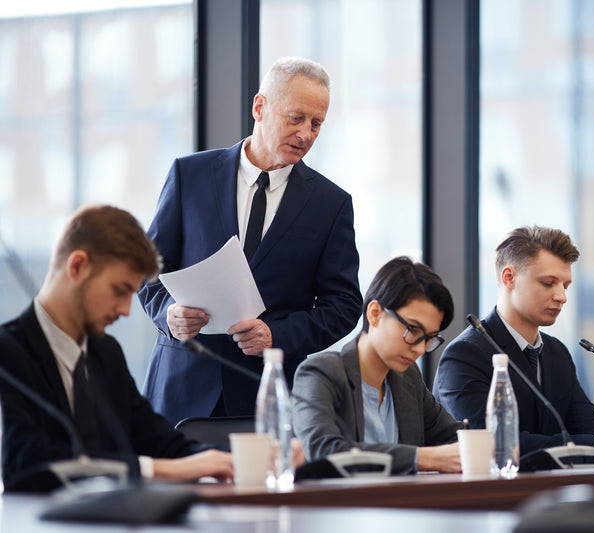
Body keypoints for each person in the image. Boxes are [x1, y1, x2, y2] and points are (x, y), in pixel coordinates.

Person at [138, 56, 362, 426]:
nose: (306, 134)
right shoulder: (189, 175)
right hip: (180, 388)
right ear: (259, 107)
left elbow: (344, 305)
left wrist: (277, 334)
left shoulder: (331, 204)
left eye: (316, 124)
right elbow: (147, 271)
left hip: (266, 397)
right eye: (296, 118)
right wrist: (168, 313)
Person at [0, 205, 234, 492]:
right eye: (119, 290)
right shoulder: (8, 353)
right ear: (77, 266)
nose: (125, 310)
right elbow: (27, 464)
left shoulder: (105, 351)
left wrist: (236, 461)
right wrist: (159, 470)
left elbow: (159, 441)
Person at [433, 225, 594, 459]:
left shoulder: (556, 352)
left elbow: (590, 426)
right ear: (508, 278)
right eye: (548, 283)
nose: (562, 297)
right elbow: (491, 443)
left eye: (566, 286)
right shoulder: (465, 355)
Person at [292, 257, 463, 474]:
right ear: (374, 313)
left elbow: (454, 436)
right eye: (412, 330)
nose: (420, 349)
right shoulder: (321, 373)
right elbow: (322, 450)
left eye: (429, 338)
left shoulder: (408, 377)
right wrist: (421, 458)